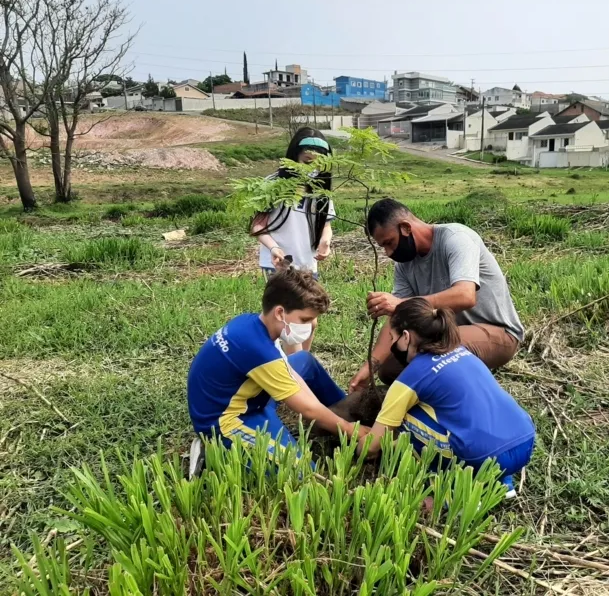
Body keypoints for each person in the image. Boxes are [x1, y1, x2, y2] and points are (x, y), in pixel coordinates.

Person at [187, 268, 366, 476]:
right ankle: (213, 452)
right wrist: (353, 431)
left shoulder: (250, 323)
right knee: (302, 475)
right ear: (280, 312)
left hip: (250, 398)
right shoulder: (258, 350)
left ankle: (346, 410)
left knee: (303, 361)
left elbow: (290, 373)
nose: (310, 326)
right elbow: (307, 410)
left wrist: (345, 424)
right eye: (305, 320)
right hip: (226, 421)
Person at [356, 298, 535, 498]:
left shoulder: (409, 379)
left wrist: (356, 448)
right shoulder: (463, 352)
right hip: (525, 441)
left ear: (405, 337)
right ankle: (501, 483)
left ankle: (450, 492)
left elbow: (372, 447)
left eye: (392, 337)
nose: (391, 343)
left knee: (404, 419)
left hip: (483, 457)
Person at [349, 198, 524, 391]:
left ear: (406, 228)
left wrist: (400, 304)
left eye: (390, 243)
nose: (388, 252)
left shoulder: (456, 238)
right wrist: (371, 366)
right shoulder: (404, 265)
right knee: (390, 368)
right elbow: (396, 318)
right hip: (447, 334)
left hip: (498, 333)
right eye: (383, 246)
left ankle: (467, 397)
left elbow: (465, 296)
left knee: (425, 354)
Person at [250, 127, 335, 353]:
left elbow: (325, 225)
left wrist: (325, 242)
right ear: (294, 156)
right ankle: (294, 375)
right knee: (292, 322)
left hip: (308, 264)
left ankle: (299, 366)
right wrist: (274, 248)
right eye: (307, 160)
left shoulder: (319, 189)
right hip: (279, 264)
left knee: (311, 320)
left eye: (318, 163)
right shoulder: (273, 184)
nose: (312, 167)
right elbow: (257, 225)